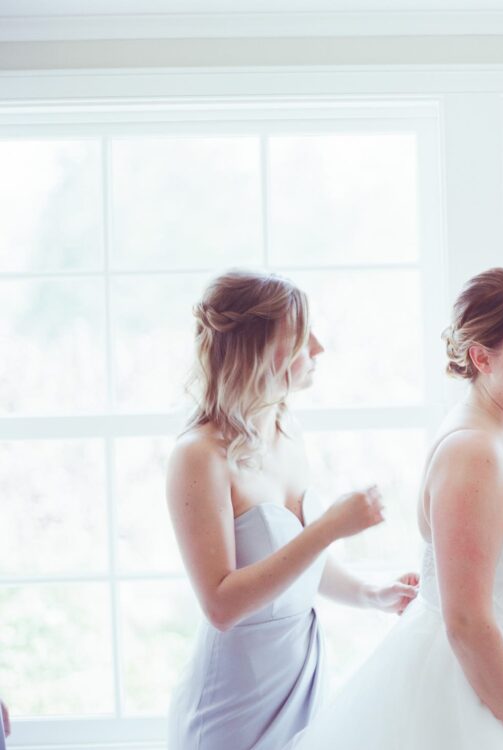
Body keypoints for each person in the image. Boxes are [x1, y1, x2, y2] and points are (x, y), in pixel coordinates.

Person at [290, 268, 503, 750]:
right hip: (475, 694)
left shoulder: (498, 434)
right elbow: (466, 621)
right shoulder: (473, 454)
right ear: (482, 357)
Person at [166, 270, 418, 750]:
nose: (319, 348)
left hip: (301, 680)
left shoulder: (286, 432)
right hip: (235, 701)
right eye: (304, 337)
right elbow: (221, 605)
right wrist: (327, 529)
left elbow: (295, 565)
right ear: (262, 349)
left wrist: (372, 595)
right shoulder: (198, 455)